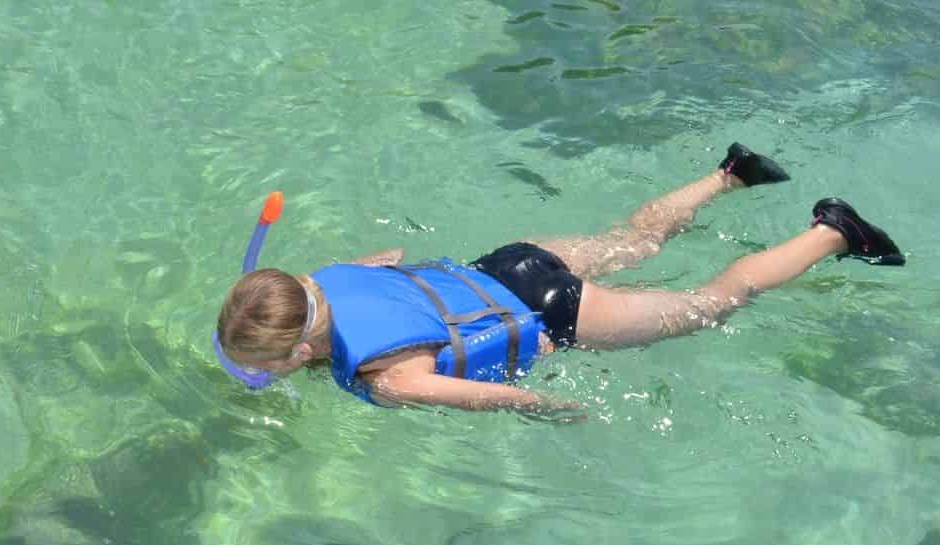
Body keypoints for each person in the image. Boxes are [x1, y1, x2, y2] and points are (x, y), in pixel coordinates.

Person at [214, 143, 905, 415]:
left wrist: (552, 409)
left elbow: (494, 398)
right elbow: (393, 258)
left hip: (560, 313)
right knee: (632, 240)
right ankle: (728, 175)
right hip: (509, 262)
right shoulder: (329, 277)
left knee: (716, 301)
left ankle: (835, 230)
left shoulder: (385, 376)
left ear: (300, 353)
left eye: (265, 365)